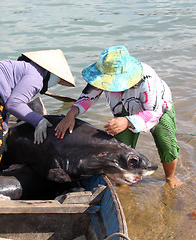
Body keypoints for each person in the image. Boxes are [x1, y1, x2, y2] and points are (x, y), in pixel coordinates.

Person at [55, 46, 183, 189]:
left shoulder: (147, 78)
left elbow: (153, 112)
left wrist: (128, 121)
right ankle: (125, 179)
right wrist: (70, 114)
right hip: (125, 107)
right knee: (122, 147)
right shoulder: (101, 75)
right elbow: (88, 97)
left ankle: (170, 176)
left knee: (165, 141)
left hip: (158, 109)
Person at [0, 49, 75, 200]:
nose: (54, 84)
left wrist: (3, 128)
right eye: (57, 80)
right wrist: (39, 120)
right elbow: (14, 104)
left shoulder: (23, 68)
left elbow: (3, 104)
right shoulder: (36, 76)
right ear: (50, 73)